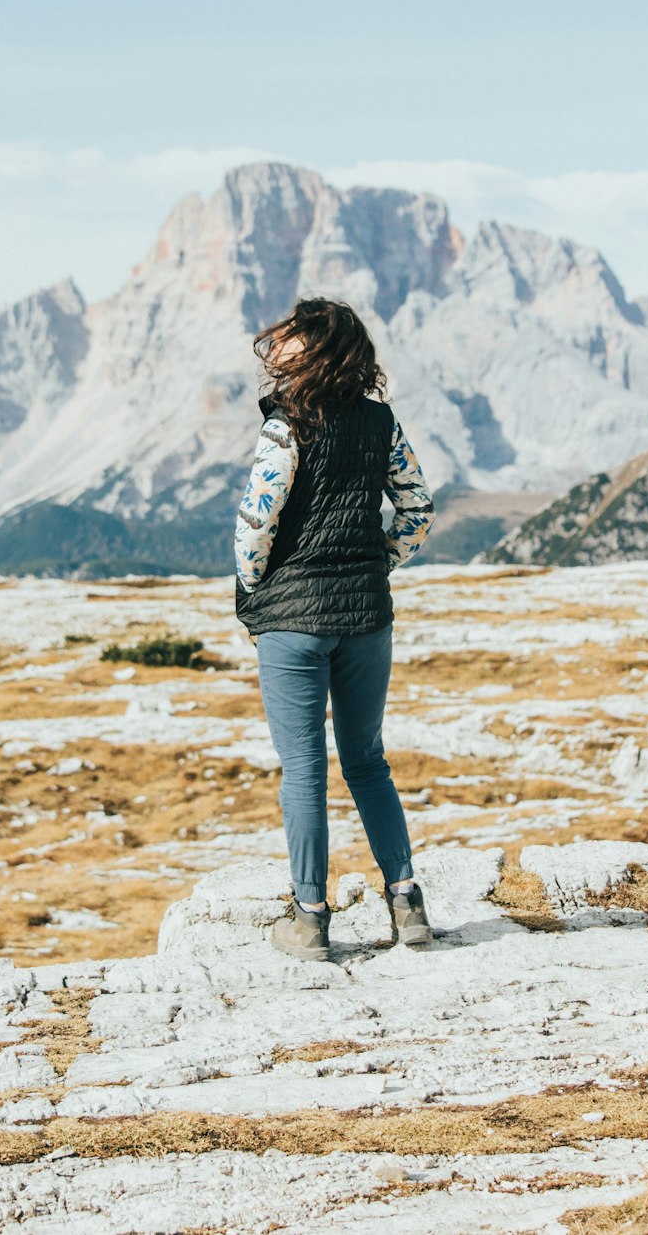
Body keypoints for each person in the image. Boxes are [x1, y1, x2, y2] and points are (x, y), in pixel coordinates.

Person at [233, 296, 436, 961]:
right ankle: (407, 904)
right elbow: (416, 507)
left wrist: (255, 590)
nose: (278, 342)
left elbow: (257, 520)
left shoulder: (287, 423)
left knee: (305, 770)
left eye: (290, 335)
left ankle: (309, 919)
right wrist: (380, 560)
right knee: (368, 762)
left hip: (294, 619)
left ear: (311, 347)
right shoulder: (381, 423)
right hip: (367, 615)